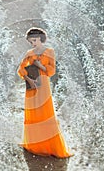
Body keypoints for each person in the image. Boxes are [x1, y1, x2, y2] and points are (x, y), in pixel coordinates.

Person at [17, 27, 72, 158]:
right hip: (31, 86)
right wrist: (29, 80)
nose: (33, 44)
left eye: (35, 40)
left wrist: (39, 65)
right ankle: (33, 144)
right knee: (33, 114)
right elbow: (20, 69)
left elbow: (51, 71)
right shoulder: (29, 53)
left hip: (43, 86)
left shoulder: (49, 51)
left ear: (41, 38)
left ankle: (49, 146)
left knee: (45, 113)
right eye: (31, 42)